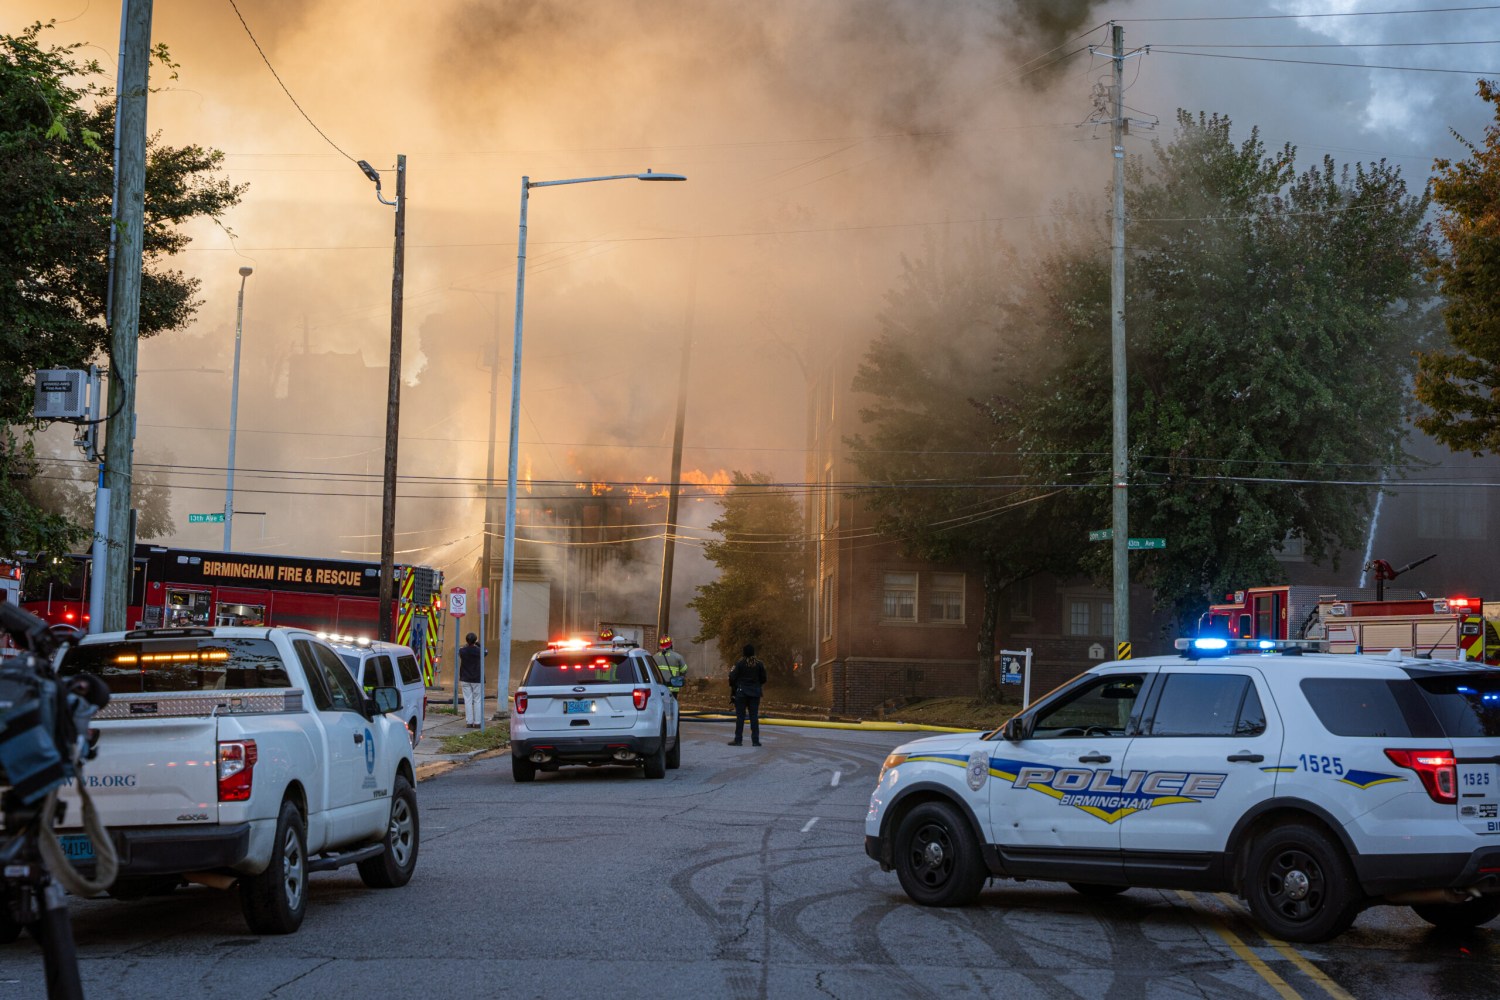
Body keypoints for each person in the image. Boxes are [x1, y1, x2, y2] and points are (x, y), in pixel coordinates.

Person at [727, 643, 767, 747]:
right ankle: (755, 741)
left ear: (744, 653)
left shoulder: (740, 663)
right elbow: (764, 679)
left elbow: (732, 677)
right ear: (753, 652)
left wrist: (735, 687)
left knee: (740, 717)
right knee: (754, 717)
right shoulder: (759, 664)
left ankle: (738, 740)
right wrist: (756, 685)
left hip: (742, 693)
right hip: (755, 693)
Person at [458, 632, 483, 728]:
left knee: (467, 700)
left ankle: (469, 721)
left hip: (465, 678)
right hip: (477, 678)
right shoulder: (479, 651)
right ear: (475, 640)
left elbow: (462, 649)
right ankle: (477, 722)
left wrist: (467, 644)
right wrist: (479, 644)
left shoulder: (462, 651)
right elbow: (485, 651)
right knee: (477, 700)